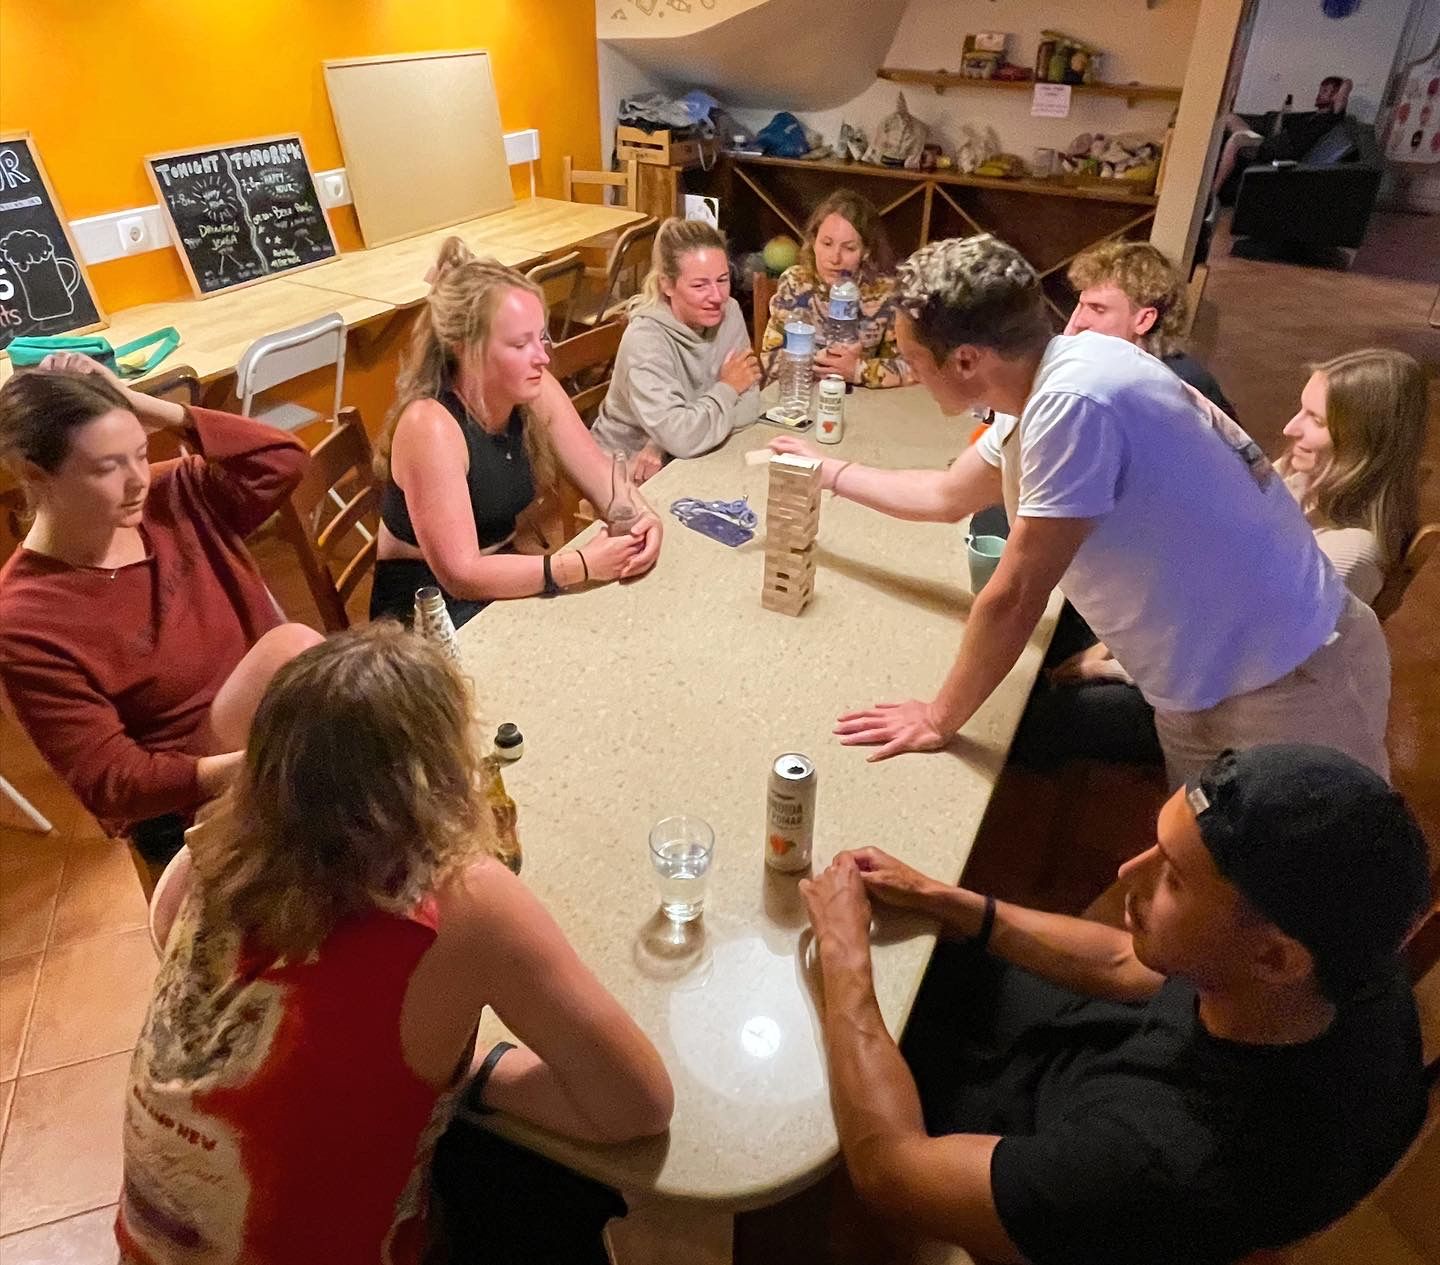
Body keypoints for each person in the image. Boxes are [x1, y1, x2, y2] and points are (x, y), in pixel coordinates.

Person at [118, 623, 674, 1265]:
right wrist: (475, 1070)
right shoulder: (464, 899)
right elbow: (639, 1104)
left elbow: (165, 929)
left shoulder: (207, 853)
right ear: (437, 777)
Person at [769, 234, 1389, 786]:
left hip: (1290, 681)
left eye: (913, 357)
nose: (909, 368)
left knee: (1278, 901)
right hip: (1212, 676)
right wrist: (827, 471)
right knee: (1208, 883)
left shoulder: (1074, 402)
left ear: (965, 360)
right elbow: (946, 496)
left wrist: (938, 717)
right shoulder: (1051, 378)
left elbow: (1014, 595)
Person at [801, 744, 1430, 1265]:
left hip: (1059, 1142)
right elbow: (1124, 962)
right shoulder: (1351, 968)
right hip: (1103, 1057)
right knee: (930, 954)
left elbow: (891, 1170)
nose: (1129, 871)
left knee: (813, 1046)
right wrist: (950, 902)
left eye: (1174, 878)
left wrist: (842, 950)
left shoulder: (1158, 1161)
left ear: (1275, 959)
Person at [1024, 347, 1427, 768]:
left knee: (1041, 721)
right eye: (1301, 410)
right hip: (1193, 659)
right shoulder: (1301, 478)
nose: (1291, 428)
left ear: (1365, 440)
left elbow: (1239, 665)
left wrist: (1103, 666)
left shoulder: (1351, 555)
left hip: (1222, 708)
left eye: (1316, 420)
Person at [0, 355, 321, 859]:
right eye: (107, 466)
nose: (138, 480)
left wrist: (143, 405)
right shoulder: (25, 619)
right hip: (188, 800)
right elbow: (112, 781)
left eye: (141, 453)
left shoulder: (173, 495)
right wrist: (262, 765)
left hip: (277, 730)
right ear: (32, 473)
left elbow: (283, 460)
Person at [372, 237, 663, 628]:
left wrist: (644, 518)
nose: (542, 356)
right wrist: (577, 565)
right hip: (427, 615)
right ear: (465, 348)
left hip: (500, 581)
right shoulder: (430, 426)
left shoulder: (534, 388)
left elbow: (602, 477)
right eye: (519, 343)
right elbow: (461, 575)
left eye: (540, 337)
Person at [591, 217, 761, 483]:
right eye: (699, 285)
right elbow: (681, 438)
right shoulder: (645, 340)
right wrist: (728, 388)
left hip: (689, 455)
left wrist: (664, 441)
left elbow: (750, 404)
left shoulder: (731, 312)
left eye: (722, 279)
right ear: (667, 285)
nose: (717, 296)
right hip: (627, 466)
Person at [761, 189, 913, 389]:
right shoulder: (794, 284)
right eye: (826, 243)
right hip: (801, 398)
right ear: (813, 242)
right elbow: (769, 360)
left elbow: (912, 368)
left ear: (866, 252)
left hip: (863, 405)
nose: (835, 258)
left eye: (849, 248)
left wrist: (858, 370)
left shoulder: (886, 294)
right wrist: (819, 362)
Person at [1064, 239, 1235, 416]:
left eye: (1098, 309)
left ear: (1144, 320)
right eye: (1081, 306)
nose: (1079, 322)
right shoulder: (1091, 365)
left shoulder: (1179, 389)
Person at [1214, 75, 1352, 196]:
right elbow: (1278, 129)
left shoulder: (1331, 118)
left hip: (1276, 152)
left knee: (1236, 140)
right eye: (1321, 90)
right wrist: (1282, 114)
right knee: (1229, 117)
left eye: (1326, 91)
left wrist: (1338, 93)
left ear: (1336, 96)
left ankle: (1213, 191)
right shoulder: (1311, 115)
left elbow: (1347, 83)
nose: (1319, 94)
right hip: (1268, 142)